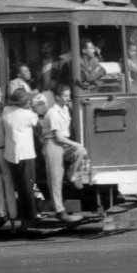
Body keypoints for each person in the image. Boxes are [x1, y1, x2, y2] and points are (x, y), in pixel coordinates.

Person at [40, 86, 85, 222]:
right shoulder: (53, 113)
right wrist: (75, 143)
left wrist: (75, 146)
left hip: (63, 145)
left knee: (80, 151)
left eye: (68, 95)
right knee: (55, 181)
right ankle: (59, 211)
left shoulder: (66, 109)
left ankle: (71, 175)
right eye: (65, 96)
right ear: (57, 97)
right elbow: (58, 137)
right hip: (53, 144)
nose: (68, 98)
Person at [1, 88, 41, 221]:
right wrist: (35, 108)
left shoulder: (6, 111)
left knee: (20, 186)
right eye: (27, 101)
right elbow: (38, 124)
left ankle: (26, 213)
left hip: (12, 154)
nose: (29, 102)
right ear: (21, 103)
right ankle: (32, 214)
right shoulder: (27, 115)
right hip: (26, 154)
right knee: (30, 184)